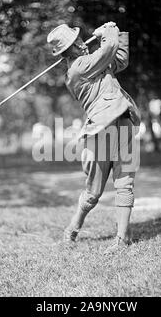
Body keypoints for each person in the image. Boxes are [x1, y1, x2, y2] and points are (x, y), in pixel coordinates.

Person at [47, 22, 141, 254]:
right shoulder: (78, 69)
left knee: (125, 183)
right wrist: (106, 33)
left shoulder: (93, 63)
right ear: (69, 52)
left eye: (79, 40)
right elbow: (108, 49)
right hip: (101, 130)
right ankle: (72, 229)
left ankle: (122, 239)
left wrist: (118, 32)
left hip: (124, 122)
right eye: (76, 43)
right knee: (93, 192)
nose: (82, 43)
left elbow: (119, 59)